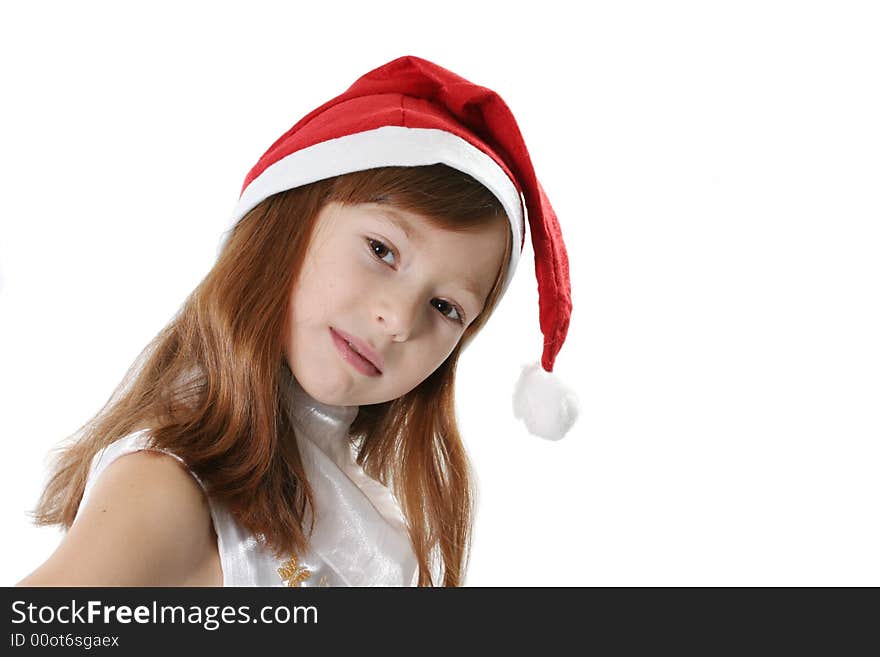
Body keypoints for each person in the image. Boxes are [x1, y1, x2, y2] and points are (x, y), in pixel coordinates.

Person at [16, 55, 576, 587]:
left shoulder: (367, 515)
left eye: (446, 307)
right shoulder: (169, 489)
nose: (397, 319)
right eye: (381, 250)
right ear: (288, 222)